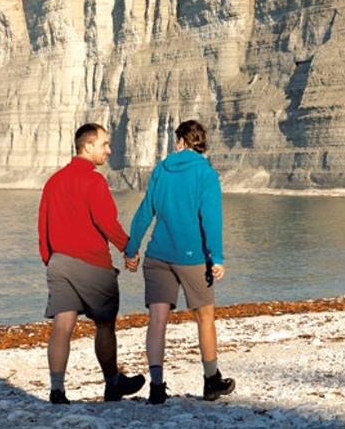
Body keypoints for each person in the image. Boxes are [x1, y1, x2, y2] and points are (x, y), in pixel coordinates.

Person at [124, 119, 235, 404]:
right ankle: (211, 381)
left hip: (158, 256)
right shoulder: (206, 174)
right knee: (205, 317)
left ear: (181, 142)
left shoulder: (162, 169)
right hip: (193, 258)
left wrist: (131, 249)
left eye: (177, 141)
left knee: (157, 321)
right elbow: (210, 218)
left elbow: (145, 211)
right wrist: (217, 257)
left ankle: (157, 387)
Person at [38, 123, 145, 404]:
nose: (109, 150)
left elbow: (43, 225)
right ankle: (112, 384)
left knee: (62, 325)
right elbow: (106, 221)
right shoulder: (93, 181)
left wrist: (50, 259)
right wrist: (129, 249)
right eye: (104, 144)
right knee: (105, 324)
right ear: (87, 147)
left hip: (59, 262)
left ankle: (57, 390)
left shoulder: (54, 181)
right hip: (92, 263)